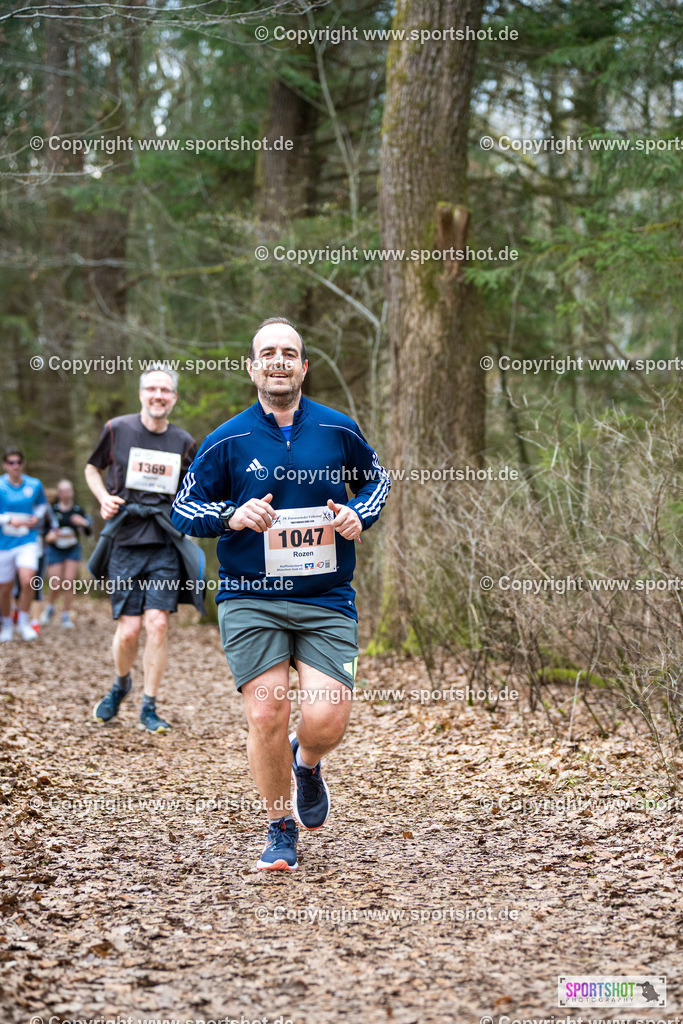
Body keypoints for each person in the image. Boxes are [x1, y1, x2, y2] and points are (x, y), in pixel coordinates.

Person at [171, 317, 390, 870]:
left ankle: (307, 763)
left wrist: (358, 514)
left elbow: (377, 479)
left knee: (327, 718)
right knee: (267, 712)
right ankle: (279, 827)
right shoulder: (227, 439)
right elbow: (183, 508)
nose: (278, 361)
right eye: (268, 353)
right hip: (251, 596)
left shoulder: (338, 428)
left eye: (289, 353)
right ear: (253, 368)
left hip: (326, 596)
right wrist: (231, 514)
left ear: (303, 367)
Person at [85, 366, 196, 733]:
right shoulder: (117, 428)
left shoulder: (184, 442)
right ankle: (121, 684)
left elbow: (194, 489)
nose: (158, 395)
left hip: (164, 543)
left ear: (174, 398)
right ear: (141, 394)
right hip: (125, 541)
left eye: (165, 390)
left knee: (158, 623)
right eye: (152, 389)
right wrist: (103, 498)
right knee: (129, 630)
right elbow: (91, 469)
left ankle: (149, 706)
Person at [0, 447, 50, 642]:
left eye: (18, 462)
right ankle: (6, 624)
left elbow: (42, 505)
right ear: (5, 465)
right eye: (11, 463)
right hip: (4, 543)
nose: (15, 466)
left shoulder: (34, 484)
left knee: (28, 580)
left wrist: (36, 517)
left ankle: (23, 621)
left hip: (27, 540)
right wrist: (8, 520)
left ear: (23, 464)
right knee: (5, 588)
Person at [40, 479, 92, 628]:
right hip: (55, 550)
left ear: (72, 492)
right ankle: (50, 607)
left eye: (68, 491)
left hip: (72, 549)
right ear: (59, 493)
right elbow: (43, 531)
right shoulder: (52, 511)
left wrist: (84, 523)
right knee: (55, 583)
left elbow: (88, 532)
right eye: (62, 492)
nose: (66, 494)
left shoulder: (78, 510)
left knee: (69, 582)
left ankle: (66, 615)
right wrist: (49, 536)